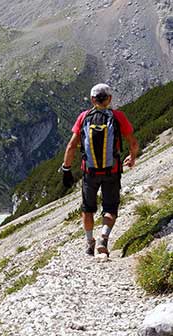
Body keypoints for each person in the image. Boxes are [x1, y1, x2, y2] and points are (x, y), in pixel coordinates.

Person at [62, 83, 139, 256]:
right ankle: (103, 238)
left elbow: (71, 146)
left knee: (87, 208)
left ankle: (90, 242)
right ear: (110, 99)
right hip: (112, 171)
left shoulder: (83, 117)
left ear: (92, 99)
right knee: (110, 208)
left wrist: (66, 168)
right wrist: (132, 157)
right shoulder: (118, 116)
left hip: (89, 172)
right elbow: (133, 143)